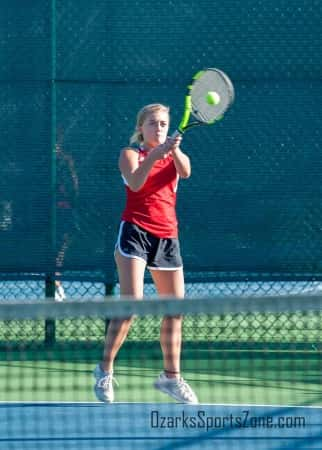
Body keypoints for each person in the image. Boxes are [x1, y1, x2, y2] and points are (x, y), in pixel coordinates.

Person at [93, 103, 198, 404]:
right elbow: (136, 183)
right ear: (141, 128)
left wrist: (173, 150)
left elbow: (186, 172)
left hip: (167, 237)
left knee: (175, 310)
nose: (159, 128)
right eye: (152, 123)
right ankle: (104, 370)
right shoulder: (129, 154)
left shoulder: (174, 157)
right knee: (131, 305)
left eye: (164, 123)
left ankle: (171, 378)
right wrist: (156, 154)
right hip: (135, 233)